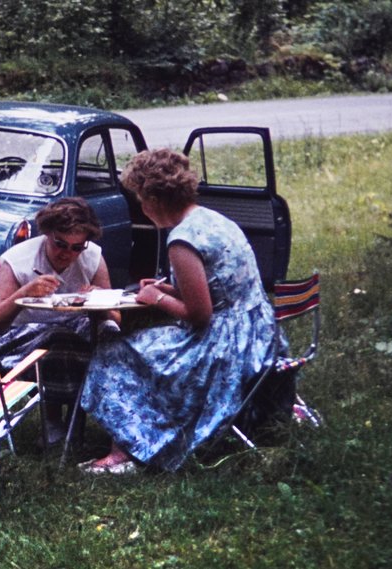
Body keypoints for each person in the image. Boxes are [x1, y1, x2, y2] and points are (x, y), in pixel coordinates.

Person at [79, 148, 277, 474]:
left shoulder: (182, 240)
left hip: (225, 346)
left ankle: (127, 453)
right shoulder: (212, 219)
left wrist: (154, 298)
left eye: (140, 199)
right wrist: (166, 289)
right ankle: (144, 433)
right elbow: (220, 288)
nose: (140, 207)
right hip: (257, 333)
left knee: (113, 353)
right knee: (141, 345)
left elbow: (200, 315)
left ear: (155, 199)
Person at [0, 197, 120, 445]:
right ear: (47, 233)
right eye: (60, 244)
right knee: (60, 339)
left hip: (71, 338)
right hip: (16, 345)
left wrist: (99, 302)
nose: (67, 253)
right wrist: (22, 294)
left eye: (77, 247)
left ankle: (98, 418)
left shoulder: (92, 258)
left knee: (110, 335)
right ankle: (60, 421)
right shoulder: (20, 260)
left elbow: (115, 318)